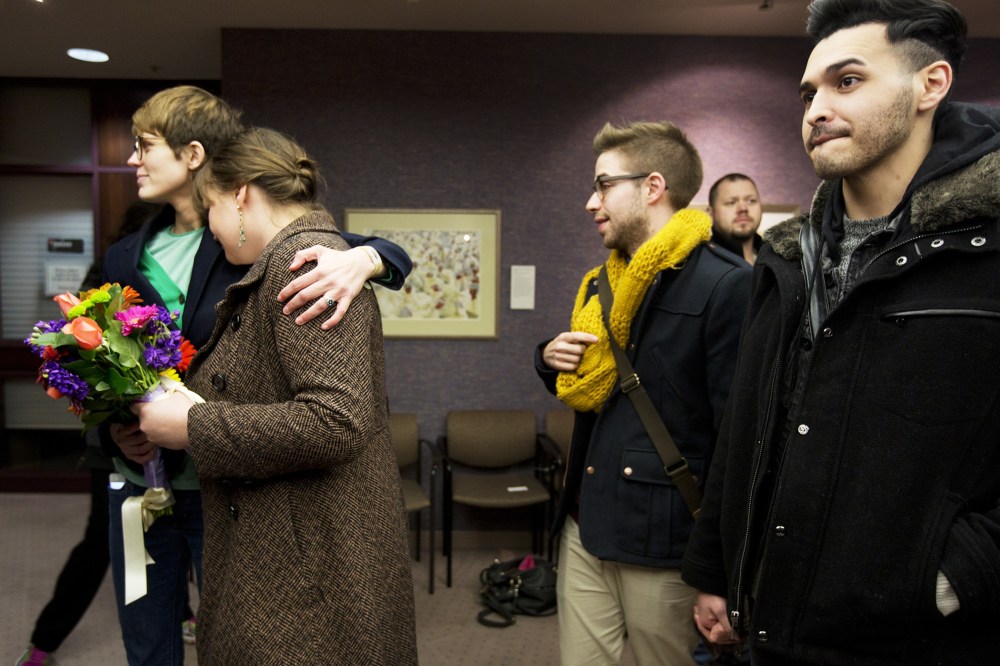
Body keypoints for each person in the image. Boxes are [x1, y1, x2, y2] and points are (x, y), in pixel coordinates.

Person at [682, 0, 1000, 663]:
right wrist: (715, 572)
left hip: (916, 641)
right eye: (809, 91)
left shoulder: (985, 252)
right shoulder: (781, 260)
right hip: (767, 628)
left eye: (846, 81)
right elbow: (746, 426)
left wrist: (955, 576)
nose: (815, 109)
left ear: (929, 86)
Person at [102, 86, 411, 665]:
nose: (213, 231)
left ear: (240, 196)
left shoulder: (307, 267)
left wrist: (192, 425)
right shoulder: (286, 260)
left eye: (215, 210)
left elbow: (335, 420)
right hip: (274, 527)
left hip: (301, 549)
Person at [535, 121, 751, 665]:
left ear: (652, 187)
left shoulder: (727, 284)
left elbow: (740, 440)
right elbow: (594, 387)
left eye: (603, 184)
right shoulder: (597, 283)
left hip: (667, 539)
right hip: (586, 525)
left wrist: (719, 572)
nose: (591, 201)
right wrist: (546, 358)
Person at [706, 173, 763, 265]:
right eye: (731, 202)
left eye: (751, 201)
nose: (743, 208)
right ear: (710, 213)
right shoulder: (699, 263)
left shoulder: (778, 260)